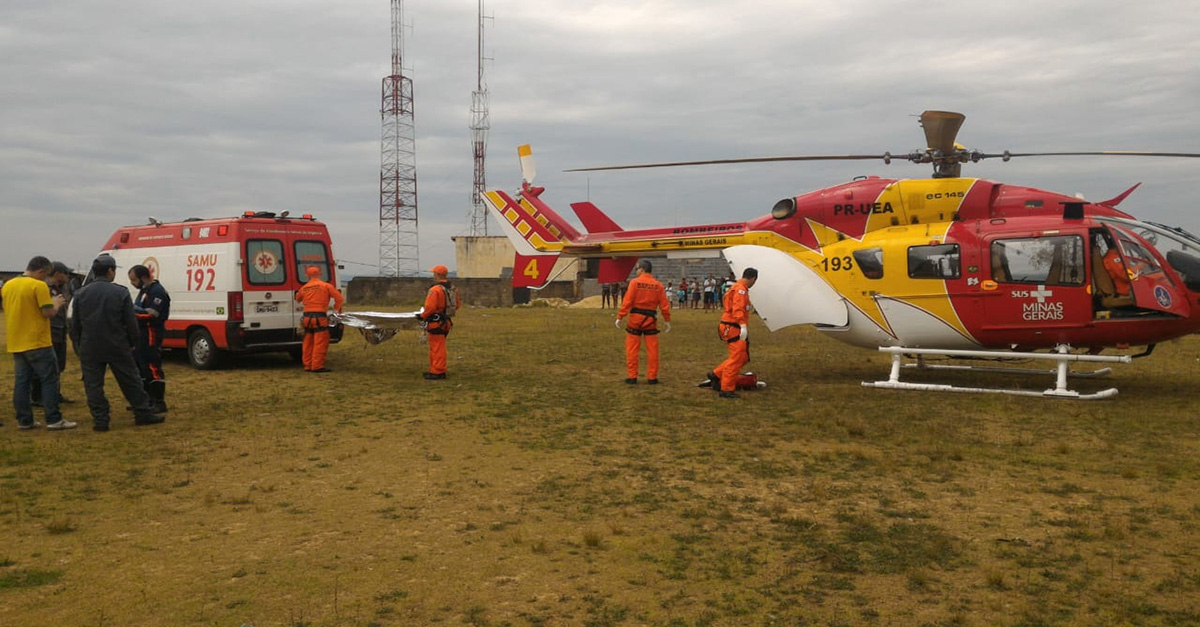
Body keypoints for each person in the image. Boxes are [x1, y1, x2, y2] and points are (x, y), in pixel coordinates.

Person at [69, 254, 162, 431]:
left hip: (90, 346)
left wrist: (80, 346)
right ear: (110, 271)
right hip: (117, 344)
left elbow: (75, 325)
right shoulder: (120, 292)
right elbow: (131, 322)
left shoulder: (81, 294)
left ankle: (100, 420)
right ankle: (142, 413)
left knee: (93, 385)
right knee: (131, 380)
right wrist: (132, 341)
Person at [3, 256, 76, 430]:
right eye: (45, 275)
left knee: (22, 382)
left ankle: (25, 420)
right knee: (50, 379)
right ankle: (53, 419)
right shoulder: (38, 285)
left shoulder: (8, 285)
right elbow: (48, 313)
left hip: (16, 340)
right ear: (41, 271)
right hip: (38, 341)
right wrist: (56, 303)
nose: (46, 279)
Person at [616, 259, 672, 384]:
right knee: (653, 351)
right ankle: (652, 377)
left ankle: (632, 376)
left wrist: (620, 316)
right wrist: (667, 320)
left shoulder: (635, 283)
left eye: (637, 269)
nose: (636, 271)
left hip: (635, 320)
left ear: (642, 269)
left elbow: (628, 301)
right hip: (650, 321)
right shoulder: (658, 285)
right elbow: (664, 305)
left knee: (632, 350)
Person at [708, 267, 758, 399]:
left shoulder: (736, 287)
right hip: (733, 326)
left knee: (742, 357)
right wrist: (742, 325)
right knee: (736, 358)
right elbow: (738, 308)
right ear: (753, 279)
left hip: (730, 326)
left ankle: (716, 374)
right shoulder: (741, 290)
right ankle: (726, 388)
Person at [127, 264, 171, 413]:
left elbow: (152, 315)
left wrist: (128, 312)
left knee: (152, 366)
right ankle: (145, 400)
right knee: (140, 367)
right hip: (141, 334)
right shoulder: (144, 291)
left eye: (133, 280)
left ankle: (159, 401)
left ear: (143, 277)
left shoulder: (157, 291)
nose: (132, 283)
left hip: (152, 334)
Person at [30, 262, 75, 407]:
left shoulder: (64, 288)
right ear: (57, 274)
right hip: (47, 332)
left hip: (61, 330)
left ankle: (55, 393)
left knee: (58, 366)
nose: (68, 277)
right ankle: (37, 396)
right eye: (66, 273)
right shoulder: (43, 287)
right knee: (44, 367)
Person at [295, 265, 344, 373]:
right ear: (319, 274)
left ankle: (308, 365)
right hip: (320, 317)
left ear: (307, 275)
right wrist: (336, 310)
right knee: (320, 341)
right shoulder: (326, 286)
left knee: (308, 342)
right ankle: (317, 366)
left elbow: (298, 299)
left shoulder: (304, 287)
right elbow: (339, 298)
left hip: (307, 318)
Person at [420, 265, 460, 380]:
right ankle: (435, 369)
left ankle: (437, 371)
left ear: (437, 275)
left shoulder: (435, 290)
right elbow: (457, 305)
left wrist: (422, 316)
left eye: (434, 274)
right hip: (446, 322)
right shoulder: (453, 289)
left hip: (435, 322)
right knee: (438, 346)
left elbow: (430, 308)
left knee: (437, 348)